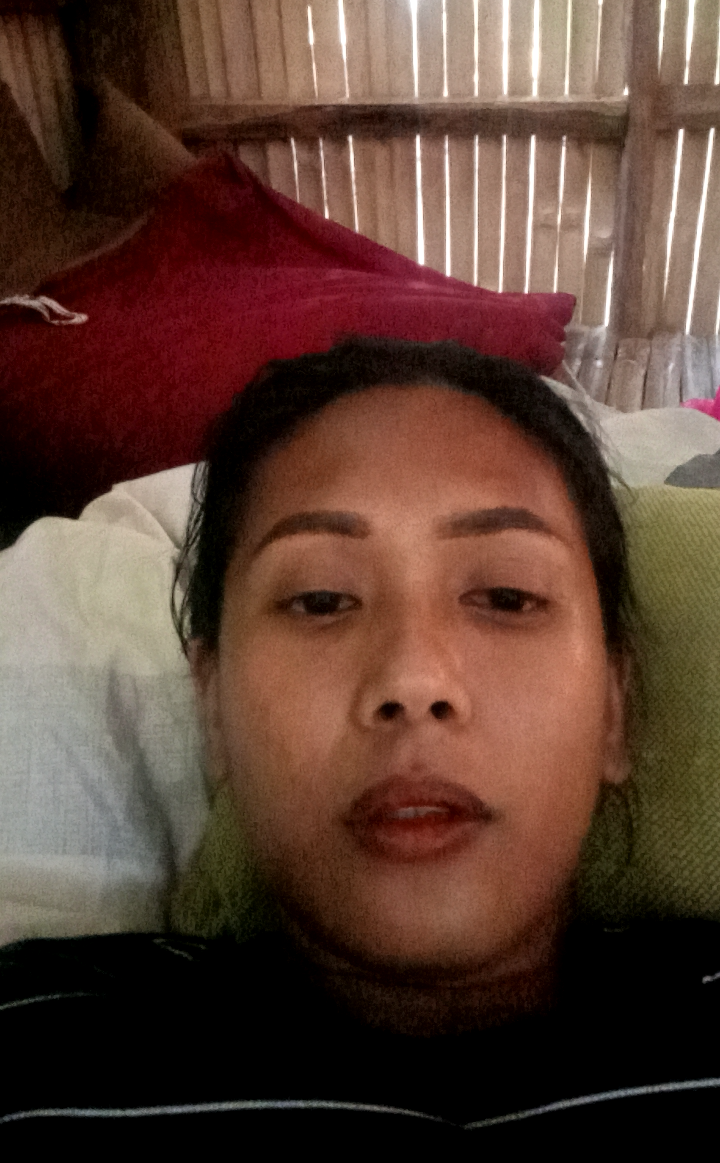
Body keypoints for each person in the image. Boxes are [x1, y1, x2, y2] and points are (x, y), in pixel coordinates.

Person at [2, 336, 719, 1148]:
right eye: (320, 600)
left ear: (614, 709)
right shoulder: (35, 1043)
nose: (414, 680)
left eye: (506, 596)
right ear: (213, 709)